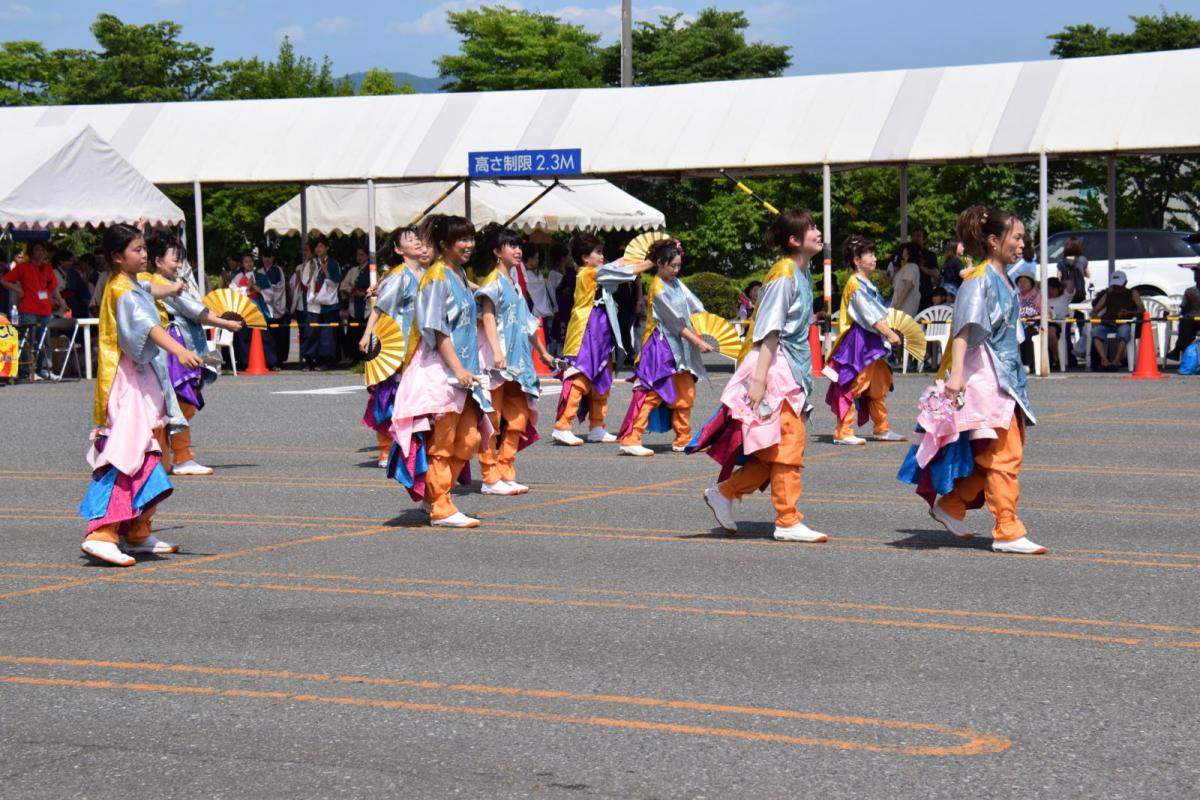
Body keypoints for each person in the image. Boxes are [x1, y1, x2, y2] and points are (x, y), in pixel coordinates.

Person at [897, 204, 1046, 555]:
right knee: (1003, 456)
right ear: (994, 241)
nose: (1023, 243)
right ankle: (1007, 528)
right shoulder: (979, 280)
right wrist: (956, 377)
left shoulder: (1001, 279)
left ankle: (952, 505)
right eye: (1018, 237)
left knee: (994, 455)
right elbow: (962, 331)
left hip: (1006, 379)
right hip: (987, 379)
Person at [690, 209, 829, 543]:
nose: (818, 232)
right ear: (795, 240)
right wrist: (759, 380)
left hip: (787, 367)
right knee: (788, 447)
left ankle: (724, 492)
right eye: (811, 228)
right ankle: (787, 519)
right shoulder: (784, 274)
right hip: (776, 367)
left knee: (773, 450)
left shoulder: (802, 269)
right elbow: (769, 331)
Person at [79, 225, 205, 567]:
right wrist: (180, 350)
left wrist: (177, 287)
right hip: (128, 381)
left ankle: (136, 530)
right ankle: (102, 533)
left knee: (152, 452)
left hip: (143, 378)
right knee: (128, 454)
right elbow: (148, 327)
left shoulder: (135, 282)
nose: (144, 254)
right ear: (117, 257)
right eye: (136, 250)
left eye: (144, 248)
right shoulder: (122, 289)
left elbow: (156, 287)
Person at [388, 215, 493, 528]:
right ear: (444, 244)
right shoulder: (436, 276)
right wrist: (458, 367)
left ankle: (436, 496)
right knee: (444, 441)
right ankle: (442, 506)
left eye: (471, 238)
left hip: (465, 371)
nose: (469, 245)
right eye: (462, 239)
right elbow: (435, 327)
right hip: (440, 370)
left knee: (472, 438)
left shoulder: (458, 273)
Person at [142, 230, 243, 476]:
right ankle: (180, 455)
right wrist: (226, 323)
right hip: (176, 346)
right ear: (158, 261)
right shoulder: (162, 285)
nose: (179, 264)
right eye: (175, 259)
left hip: (172, 346)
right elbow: (195, 310)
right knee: (182, 400)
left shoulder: (154, 281)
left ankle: (167, 455)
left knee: (174, 402)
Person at [552, 232, 655, 446]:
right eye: (597, 252)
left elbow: (618, 264)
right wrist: (651, 262)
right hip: (586, 330)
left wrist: (647, 254)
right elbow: (623, 271)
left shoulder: (597, 270)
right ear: (584, 257)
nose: (601, 256)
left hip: (602, 331)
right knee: (579, 377)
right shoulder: (587, 273)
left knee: (602, 377)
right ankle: (562, 425)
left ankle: (597, 426)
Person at [615, 239, 713, 457]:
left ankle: (683, 437)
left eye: (679, 265)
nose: (676, 270)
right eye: (672, 266)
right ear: (659, 263)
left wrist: (709, 324)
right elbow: (674, 324)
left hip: (682, 347)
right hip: (661, 347)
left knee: (686, 392)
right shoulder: (658, 288)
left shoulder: (676, 283)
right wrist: (698, 340)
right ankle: (632, 437)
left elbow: (696, 306)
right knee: (653, 392)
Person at [476, 226, 555, 494]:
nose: (518, 250)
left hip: (520, 363)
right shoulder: (492, 282)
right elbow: (487, 316)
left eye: (518, 245)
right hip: (497, 363)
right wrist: (497, 351)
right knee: (493, 421)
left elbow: (528, 323)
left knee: (519, 419)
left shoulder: (515, 284)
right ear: (497, 252)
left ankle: (505, 469)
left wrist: (543, 352)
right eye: (511, 245)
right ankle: (490, 477)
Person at [825, 235, 905, 446]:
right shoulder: (854, 284)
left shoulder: (866, 282)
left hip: (872, 340)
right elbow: (868, 316)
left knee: (879, 384)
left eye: (873, 253)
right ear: (856, 259)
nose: (874, 258)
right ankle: (843, 431)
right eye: (869, 254)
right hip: (859, 339)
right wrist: (888, 332)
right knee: (854, 383)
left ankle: (882, 427)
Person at [359, 226, 427, 466]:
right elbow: (379, 308)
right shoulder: (398, 276)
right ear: (399, 249)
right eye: (410, 240)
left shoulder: (427, 273)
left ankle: (411, 446)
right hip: (397, 346)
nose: (417, 242)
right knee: (390, 396)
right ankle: (386, 448)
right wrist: (368, 335)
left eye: (418, 238)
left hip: (422, 345)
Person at [1, 241, 65, 380]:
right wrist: (18, 290)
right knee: (26, 340)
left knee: (45, 340)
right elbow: (4, 280)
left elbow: (54, 288)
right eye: (37, 249)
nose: (40, 252)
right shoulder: (22, 267)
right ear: (31, 252)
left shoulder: (47, 268)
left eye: (42, 250)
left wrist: (61, 303)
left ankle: (44, 369)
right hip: (28, 309)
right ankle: (25, 371)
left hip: (45, 310)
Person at [293, 236, 341, 370]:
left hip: (329, 303)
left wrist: (326, 272)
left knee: (327, 333)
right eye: (317, 247)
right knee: (310, 332)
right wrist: (312, 272)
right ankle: (309, 360)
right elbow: (304, 284)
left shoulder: (333, 263)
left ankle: (325, 361)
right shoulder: (310, 264)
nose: (318, 249)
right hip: (313, 303)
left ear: (327, 248)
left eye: (321, 246)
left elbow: (336, 282)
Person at [227, 252, 279, 371]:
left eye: (250, 261)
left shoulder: (260, 276)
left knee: (264, 335)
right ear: (242, 264)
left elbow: (270, 294)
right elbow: (233, 292)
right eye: (246, 262)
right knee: (244, 335)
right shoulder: (238, 277)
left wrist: (256, 288)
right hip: (244, 308)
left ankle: (270, 361)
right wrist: (247, 288)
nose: (249, 264)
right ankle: (245, 362)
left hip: (258, 307)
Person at [1090, 270, 1143, 370]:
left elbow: (1141, 310)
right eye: (1115, 285)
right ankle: (1105, 360)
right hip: (1107, 323)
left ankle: (1116, 360)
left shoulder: (1133, 293)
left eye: (1119, 285)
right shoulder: (1108, 295)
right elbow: (1094, 312)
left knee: (1124, 331)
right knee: (1096, 331)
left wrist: (1128, 313)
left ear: (1125, 283)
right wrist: (1097, 318)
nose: (1117, 288)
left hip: (1124, 323)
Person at [257, 249, 290, 365]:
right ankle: (270, 360)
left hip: (276, 306)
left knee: (278, 337)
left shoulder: (277, 270)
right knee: (268, 336)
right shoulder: (259, 271)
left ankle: (278, 360)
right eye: (265, 257)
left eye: (269, 257)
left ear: (273, 258)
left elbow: (274, 289)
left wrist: (262, 290)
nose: (267, 259)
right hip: (265, 306)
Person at [341, 246, 371, 363]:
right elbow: (343, 285)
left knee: (364, 330)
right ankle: (354, 357)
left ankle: (366, 356)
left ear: (368, 256)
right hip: (354, 305)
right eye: (358, 254)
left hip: (367, 306)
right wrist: (351, 291)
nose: (359, 257)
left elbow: (376, 287)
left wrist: (364, 293)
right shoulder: (353, 271)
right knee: (353, 333)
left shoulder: (372, 270)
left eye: (362, 254)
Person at [1167, 267, 1200, 362]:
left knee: (1186, 325)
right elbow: (1183, 310)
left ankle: (1177, 350)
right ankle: (1186, 357)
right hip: (1192, 320)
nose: (1197, 276)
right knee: (1185, 322)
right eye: (1196, 273)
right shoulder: (1190, 291)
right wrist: (1189, 303)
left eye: (1199, 273)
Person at [1015, 273, 1040, 371]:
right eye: (1020, 282)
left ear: (1031, 283)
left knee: (1028, 334)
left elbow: (1047, 313)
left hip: (1034, 324)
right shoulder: (1016, 296)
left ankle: (1028, 363)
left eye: (1025, 281)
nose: (1022, 284)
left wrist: (1034, 319)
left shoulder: (1037, 296)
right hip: (1018, 324)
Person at [889, 243, 921, 319]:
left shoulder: (911, 266)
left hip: (905, 306)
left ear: (908, 252)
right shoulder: (907, 266)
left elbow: (908, 285)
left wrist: (898, 303)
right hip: (900, 305)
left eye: (905, 249)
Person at [1046, 277, 1070, 370]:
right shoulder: (1041, 297)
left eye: (1052, 289)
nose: (1050, 291)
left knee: (1050, 332)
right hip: (1040, 322)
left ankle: (1056, 357)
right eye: (1048, 289)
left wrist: (1060, 283)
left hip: (1057, 323)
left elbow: (1070, 283)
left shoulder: (1064, 298)